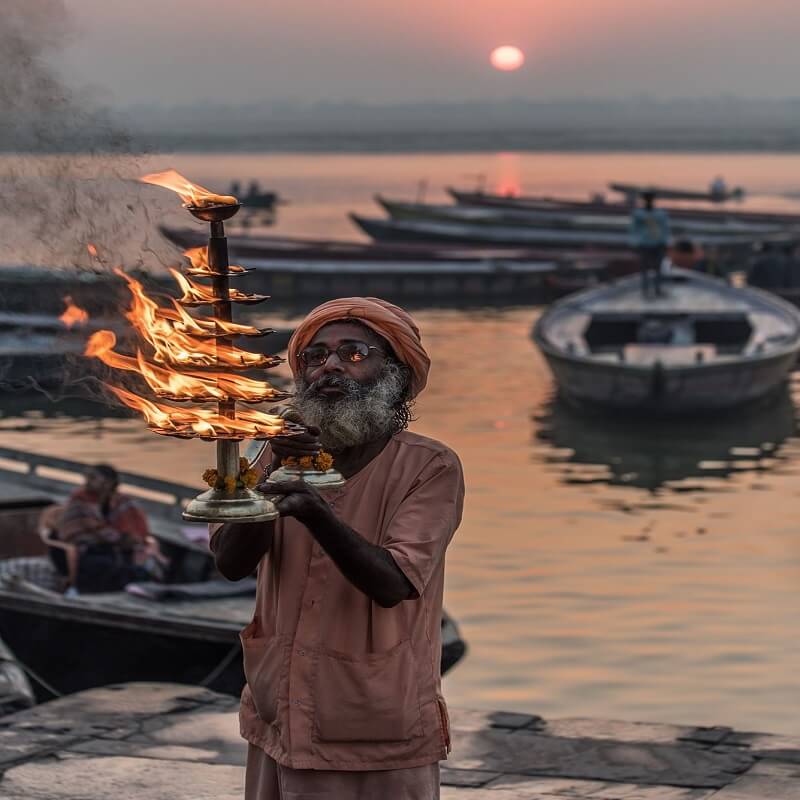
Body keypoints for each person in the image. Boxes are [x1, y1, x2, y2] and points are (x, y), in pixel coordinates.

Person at [210, 297, 465, 800]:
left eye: (353, 354)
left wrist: (316, 512)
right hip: (279, 713)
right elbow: (230, 562)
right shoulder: (275, 450)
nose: (328, 366)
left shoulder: (430, 466)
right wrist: (270, 475)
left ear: (393, 374)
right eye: (315, 356)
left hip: (376, 724)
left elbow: (393, 583)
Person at [56, 464, 165, 593]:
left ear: (109, 483)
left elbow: (134, 527)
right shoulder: (80, 500)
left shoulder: (121, 501)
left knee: (144, 562)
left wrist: (130, 539)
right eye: (87, 477)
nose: (87, 481)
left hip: (115, 547)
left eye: (93, 478)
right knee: (106, 566)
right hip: (86, 549)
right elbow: (90, 528)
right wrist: (119, 538)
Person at [629, 191, 671, 297]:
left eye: (650, 198)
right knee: (645, 269)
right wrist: (634, 243)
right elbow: (633, 230)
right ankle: (645, 291)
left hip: (658, 243)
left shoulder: (661, 214)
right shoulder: (638, 214)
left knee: (657, 269)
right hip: (644, 244)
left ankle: (657, 290)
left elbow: (666, 229)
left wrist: (666, 242)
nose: (649, 200)